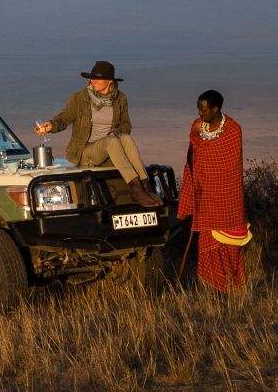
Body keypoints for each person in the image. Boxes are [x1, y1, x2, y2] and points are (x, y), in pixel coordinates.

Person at [34, 59, 160, 207]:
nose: (93, 81)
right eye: (92, 78)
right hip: (86, 151)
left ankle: (145, 185)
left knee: (125, 138)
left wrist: (115, 132)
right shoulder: (79, 98)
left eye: (98, 78)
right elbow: (65, 117)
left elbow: (126, 125)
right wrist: (51, 125)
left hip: (110, 151)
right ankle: (135, 187)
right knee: (111, 141)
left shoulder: (120, 98)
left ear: (109, 81)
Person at [178, 89, 251, 292]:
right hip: (206, 197)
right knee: (207, 244)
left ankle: (233, 287)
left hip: (227, 197)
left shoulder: (233, 130)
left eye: (204, 110)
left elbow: (229, 165)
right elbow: (192, 156)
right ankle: (215, 288)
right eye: (199, 110)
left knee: (230, 247)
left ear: (215, 108)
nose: (200, 114)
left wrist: (207, 168)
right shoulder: (197, 127)